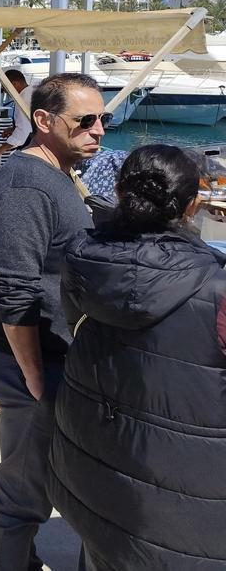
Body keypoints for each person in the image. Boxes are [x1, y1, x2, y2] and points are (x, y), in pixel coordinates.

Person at [48, 145, 226, 571]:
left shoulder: (84, 256)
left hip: (99, 455)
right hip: (187, 490)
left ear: (122, 192)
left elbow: (76, 326)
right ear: (192, 205)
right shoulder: (215, 285)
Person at [0, 72, 104, 569]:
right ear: (43, 120)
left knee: (39, 488)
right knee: (23, 496)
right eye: (84, 121)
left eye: (103, 120)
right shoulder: (28, 185)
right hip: (34, 363)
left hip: (51, 358)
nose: (97, 130)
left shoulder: (56, 176)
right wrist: (32, 372)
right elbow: (15, 287)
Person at [0, 69, 35, 160]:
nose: (5, 91)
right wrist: (13, 129)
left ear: (14, 84)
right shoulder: (32, 92)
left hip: (32, 145)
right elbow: (29, 123)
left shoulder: (22, 99)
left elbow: (23, 131)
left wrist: (2, 149)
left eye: (4, 88)